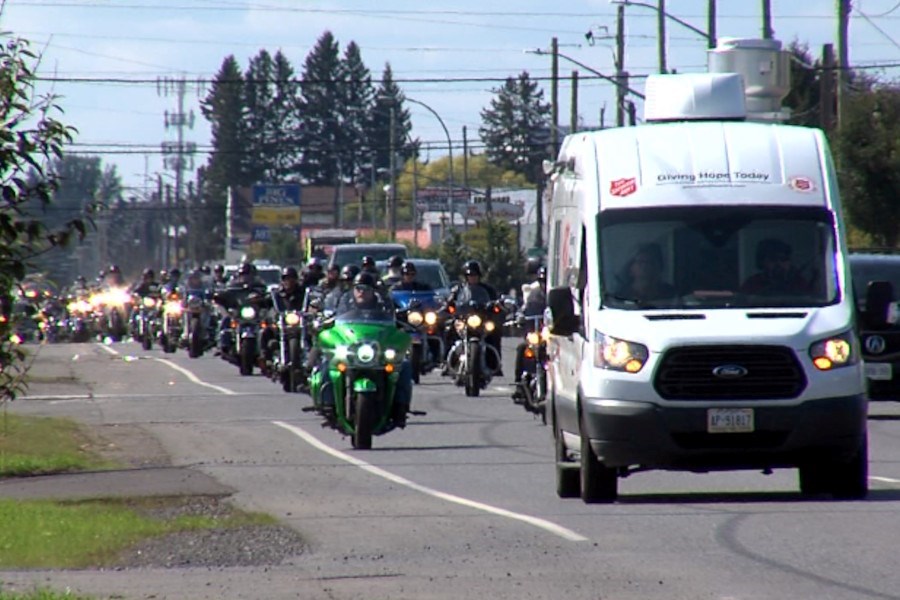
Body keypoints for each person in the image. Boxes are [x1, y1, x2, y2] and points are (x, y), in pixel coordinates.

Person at [318, 271, 412, 426]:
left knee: (404, 366)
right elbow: (333, 318)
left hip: (376, 350)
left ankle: (400, 407)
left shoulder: (383, 304)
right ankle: (328, 404)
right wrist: (324, 320)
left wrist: (403, 321)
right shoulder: (345, 303)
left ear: (373, 290)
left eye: (366, 289)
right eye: (358, 288)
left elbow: (395, 318)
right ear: (353, 289)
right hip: (351, 349)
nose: (361, 292)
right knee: (328, 363)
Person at [446, 259, 503, 372]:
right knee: (449, 329)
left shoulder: (488, 290)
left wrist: (496, 306)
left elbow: (496, 302)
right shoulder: (458, 289)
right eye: (469, 275)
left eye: (475, 275)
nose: (472, 277)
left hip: (482, 319)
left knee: (495, 331)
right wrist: (449, 304)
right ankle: (446, 362)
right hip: (464, 318)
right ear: (465, 276)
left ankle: (495, 364)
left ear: (479, 275)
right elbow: (450, 302)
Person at [514, 266, 547, 394]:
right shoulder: (534, 295)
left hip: (550, 335)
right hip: (536, 332)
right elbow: (525, 309)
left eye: (546, 281)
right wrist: (520, 317)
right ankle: (518, 384)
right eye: (542, 281)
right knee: (522, 348)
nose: (544, 284)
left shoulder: (554, 295)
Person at [740, 238, 810, 295]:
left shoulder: (799, 283)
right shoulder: (752, 284)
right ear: (762, 261)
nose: (779, 264)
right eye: (773, 259)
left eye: (783, 259)